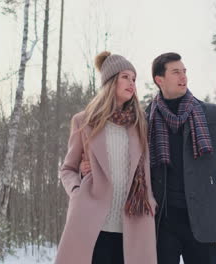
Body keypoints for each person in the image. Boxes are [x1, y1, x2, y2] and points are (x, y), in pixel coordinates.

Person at [81, 52, 216, 264]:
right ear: (159, 80)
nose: (183, 77)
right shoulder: (144, 120)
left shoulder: (209, 114)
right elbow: (125, 159)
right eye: (175, 72)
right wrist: (93, 165)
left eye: (184, 71)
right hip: (162, 223)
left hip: (200, 221)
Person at [55, 51, 158, 264]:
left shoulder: (141, 125)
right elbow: (67, 169)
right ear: (111, 81)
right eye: (125, 77)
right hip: (93, 222)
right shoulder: (84, 122)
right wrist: (76, 192)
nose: (131, 82)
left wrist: (152, 202)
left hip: (133, 222)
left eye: (134, 79)